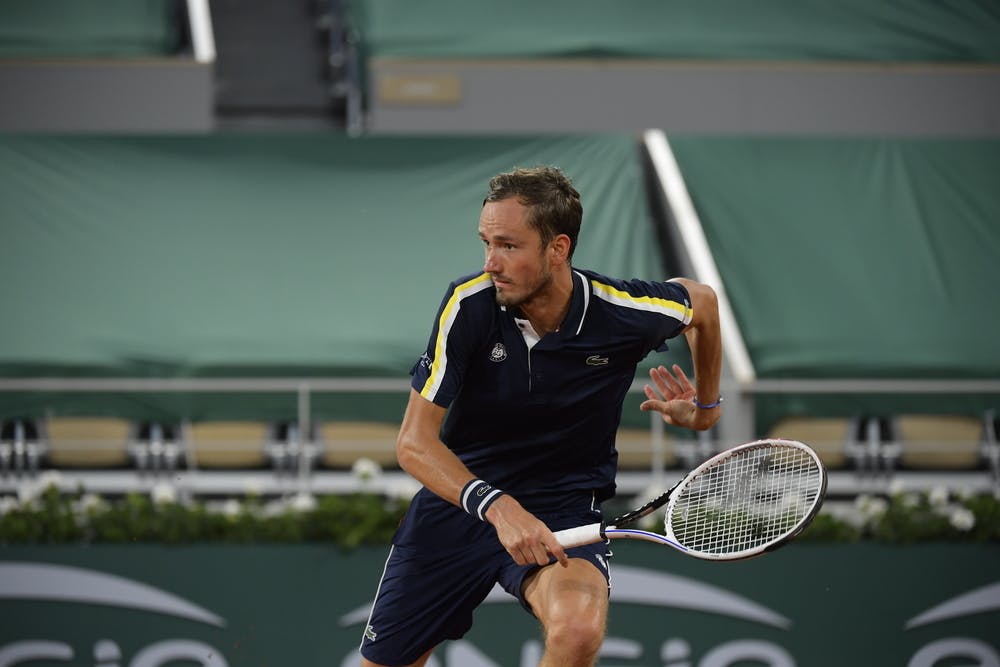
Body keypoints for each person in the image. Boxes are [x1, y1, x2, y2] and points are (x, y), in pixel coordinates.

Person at [360, 166, 722, 667]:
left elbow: (702, 303)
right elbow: (414, 443)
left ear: (558, 249)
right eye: (486, 243)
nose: (491, 262)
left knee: (576, 631)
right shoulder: (469, 306)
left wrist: (705, 409)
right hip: (461, 503)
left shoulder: (621, 312)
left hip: (563, 507)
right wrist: (500, 508)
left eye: (509, 246)